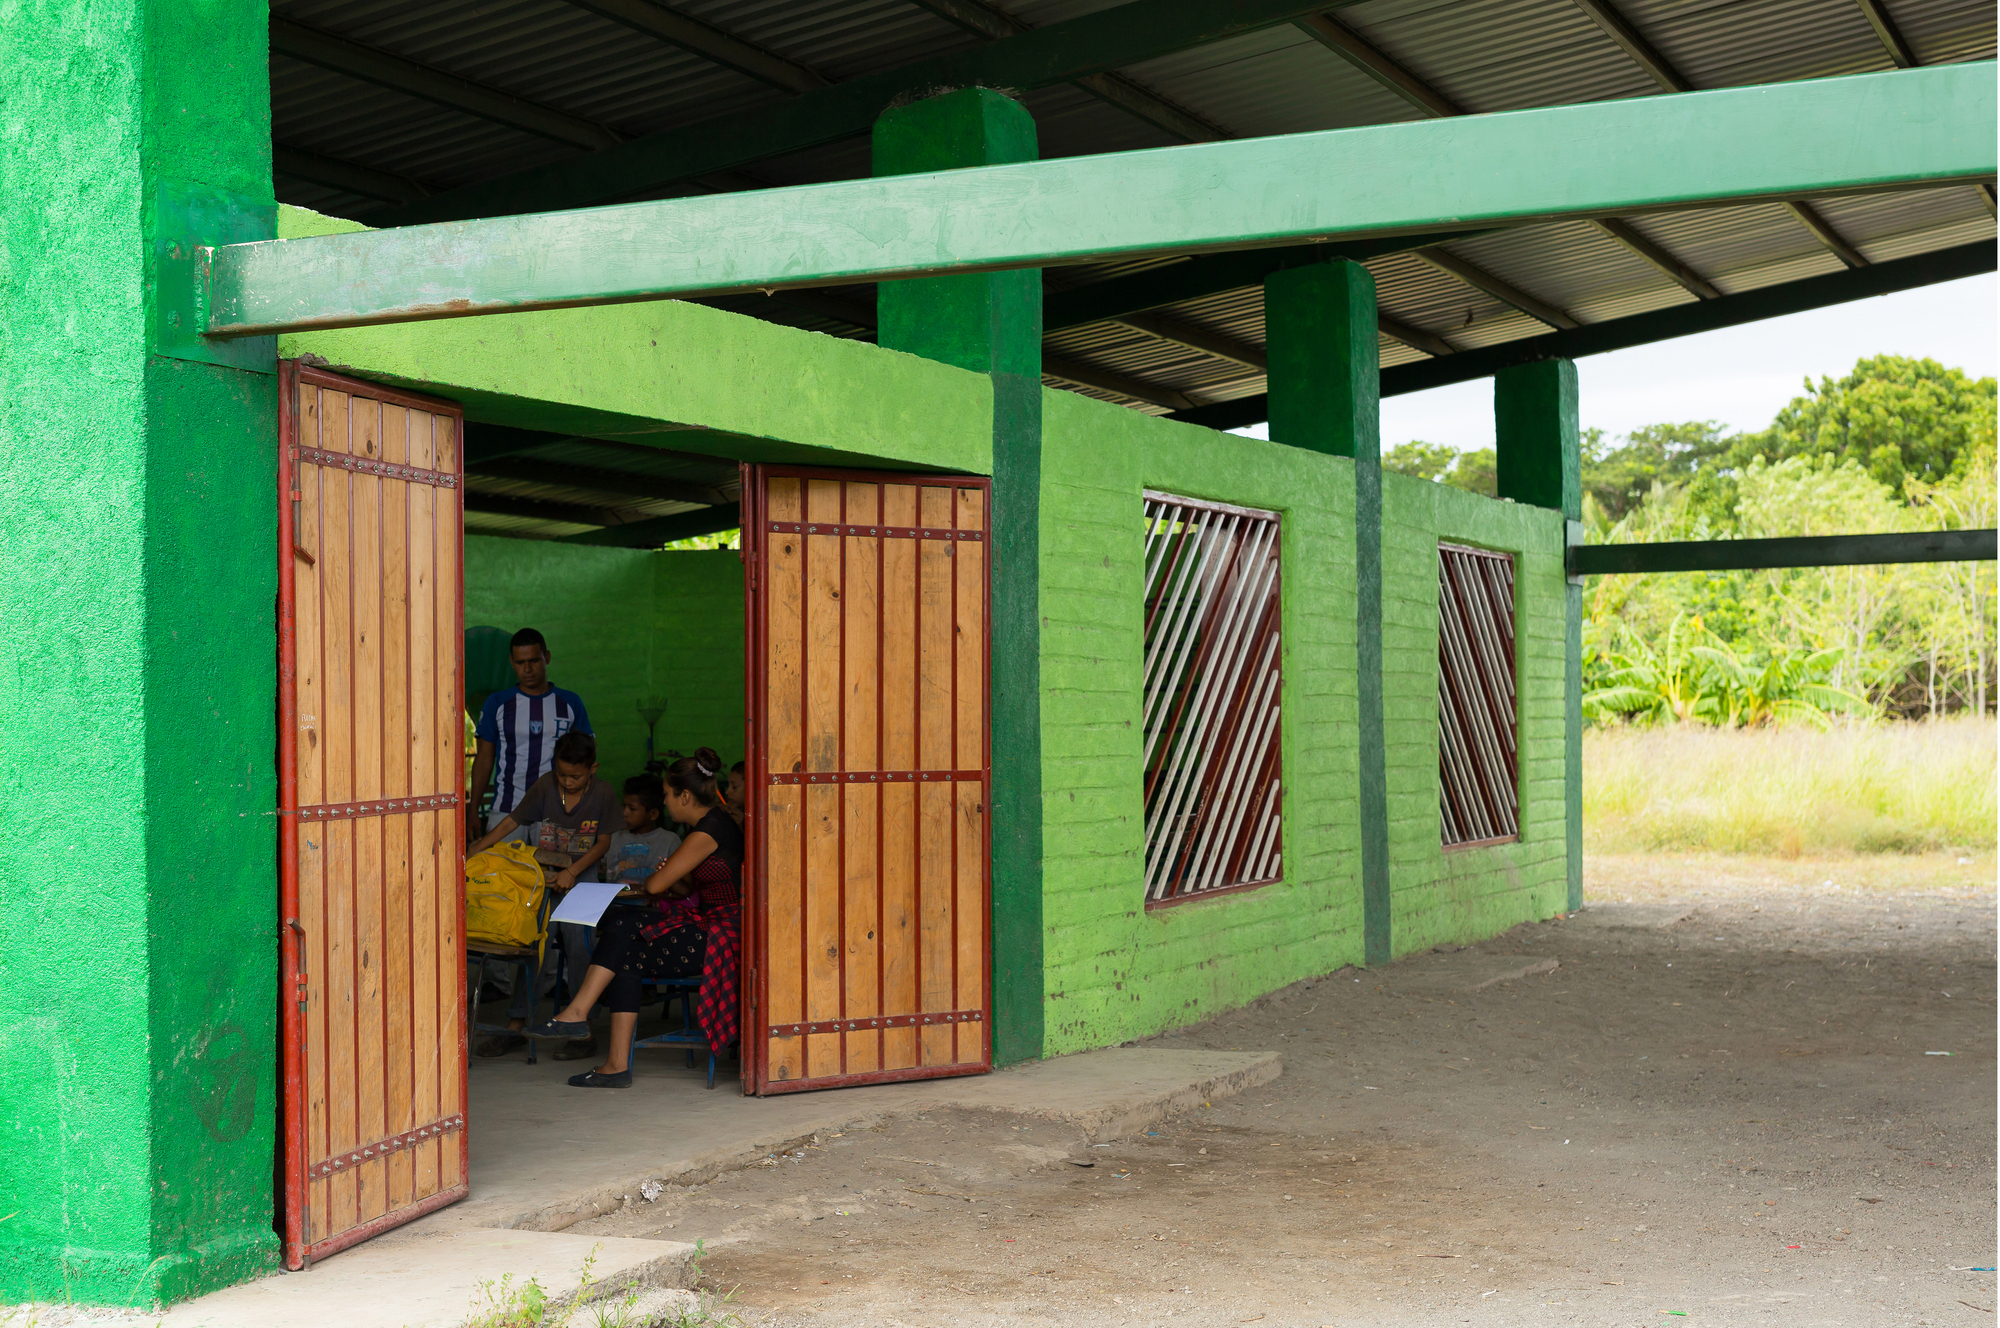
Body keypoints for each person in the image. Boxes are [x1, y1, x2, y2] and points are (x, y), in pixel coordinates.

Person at [525, 748, 742, 1088]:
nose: (666, 802)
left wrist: (664, 875)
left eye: (668, 795)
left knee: (623, 924)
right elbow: (685, 887)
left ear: (685, 796)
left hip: (722, 935)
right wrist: (671, 876)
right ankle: (615, 1065)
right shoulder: (709, 826)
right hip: (709, 926)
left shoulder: (708, 830)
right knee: (625, 955)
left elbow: (655, 886)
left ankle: (578, 1013)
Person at [467, 730, 617, 1058]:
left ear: (593, 769)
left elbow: (603, 843)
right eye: (562, 774)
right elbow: (511, 822)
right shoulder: (545, 786)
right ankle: (517, 1024)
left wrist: (572, 871)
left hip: (583, 883)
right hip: (545, 881)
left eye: (575, 776)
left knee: (580, 949)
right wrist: (477, 848)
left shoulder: (603, 793)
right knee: (534, 948)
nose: (568, 782)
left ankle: (583, 1030)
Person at [468, 628, 592, 835]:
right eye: (520, 662)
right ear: (511, 662)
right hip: (506, 810)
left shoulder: (570, 703)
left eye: (534, 660)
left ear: (547, 657)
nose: (527, 669)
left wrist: (583, 805)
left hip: (557, 810)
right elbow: (484, 759)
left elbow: (587, 758)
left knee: (552, 859)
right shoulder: (497, 704)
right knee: (502, 858)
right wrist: (473, 810)